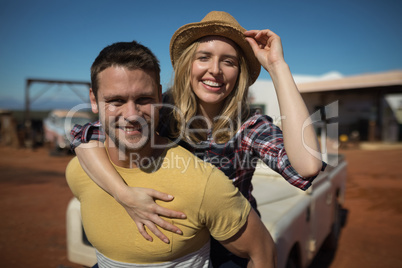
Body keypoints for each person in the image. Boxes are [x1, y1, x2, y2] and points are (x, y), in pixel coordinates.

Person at [70, 11, 325, 267]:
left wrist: (277, 67)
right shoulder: (161, 108)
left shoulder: (249, 127)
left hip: (230, 242)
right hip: (173, 229)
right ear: (187, 64)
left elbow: (307, 167)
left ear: (240, 73)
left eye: (229, 62)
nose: (215, 70)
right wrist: (123, 194)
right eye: (204, 57)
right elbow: (87, 136)